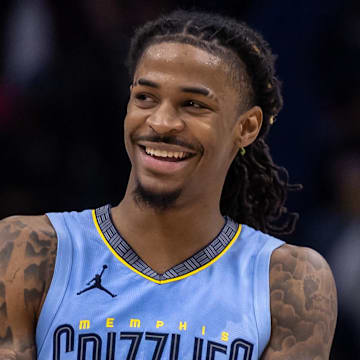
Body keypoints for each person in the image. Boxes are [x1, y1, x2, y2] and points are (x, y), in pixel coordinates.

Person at [0, 9, 337, 360]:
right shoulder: (30, 250)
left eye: (192, 104)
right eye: (145, 97)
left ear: (247, 127)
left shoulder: (290, 281)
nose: (160, 122)